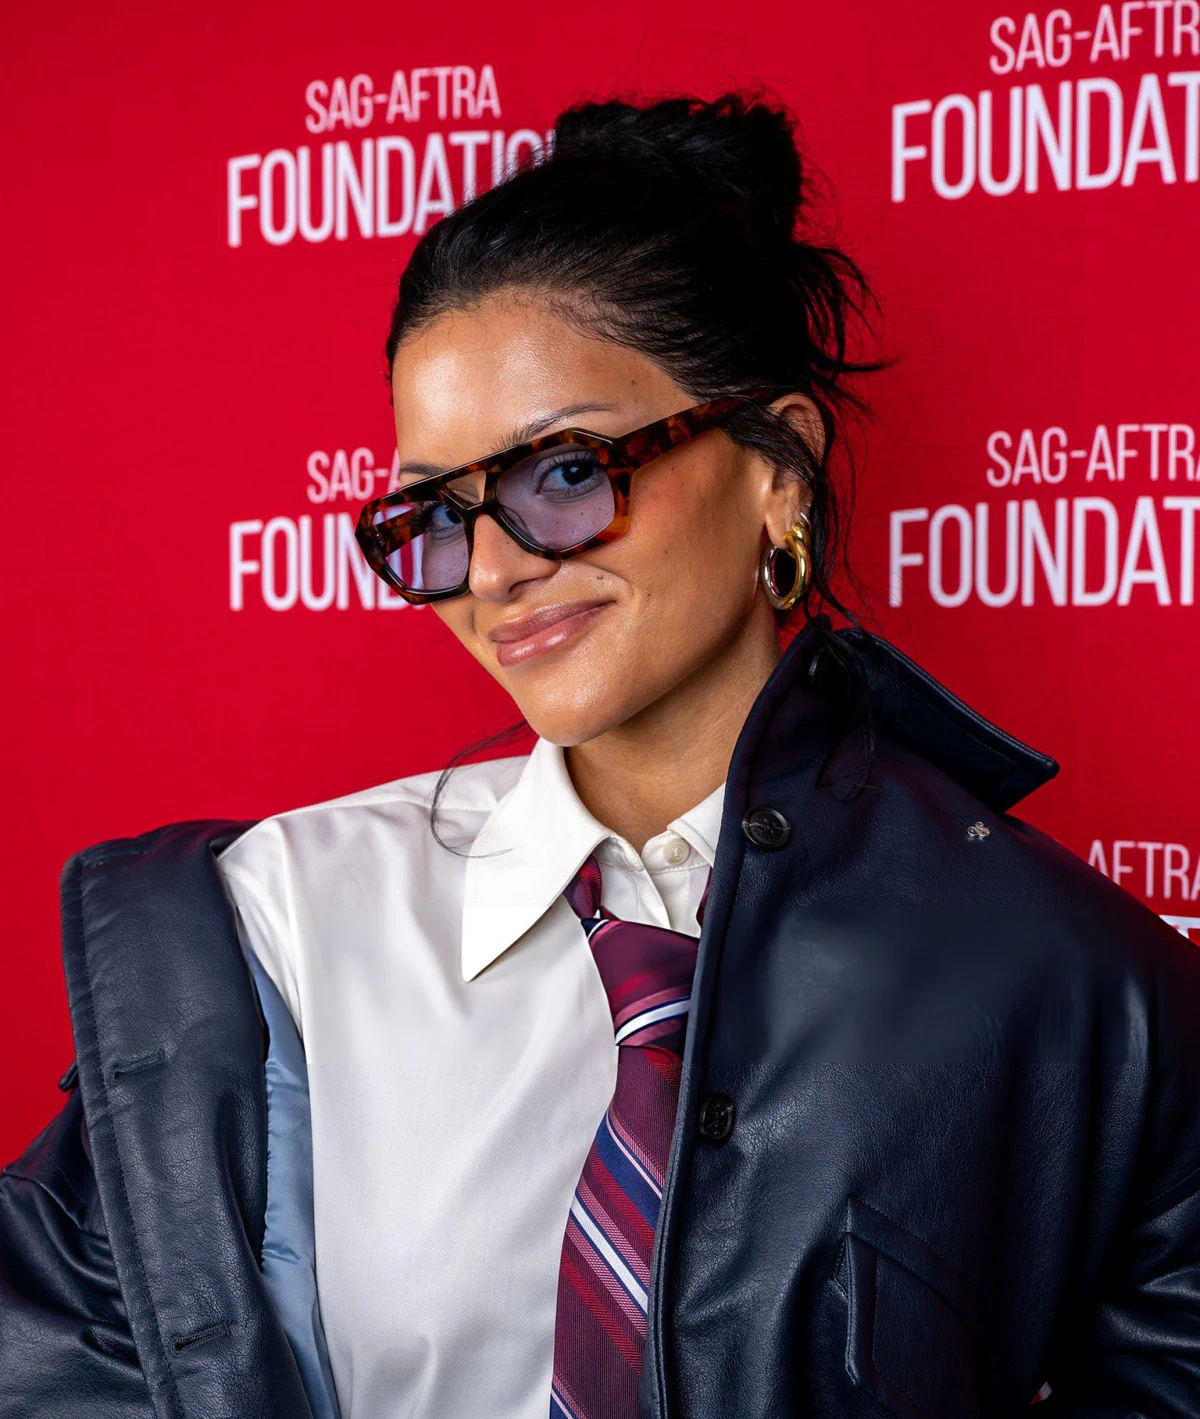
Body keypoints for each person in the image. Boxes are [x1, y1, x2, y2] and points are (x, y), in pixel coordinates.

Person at [2, 88, 1199, 1419]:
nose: (494, 572)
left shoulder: (1068, 982)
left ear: (779, 469)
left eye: (564, 472)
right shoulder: (274, 926)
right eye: (433, 516)